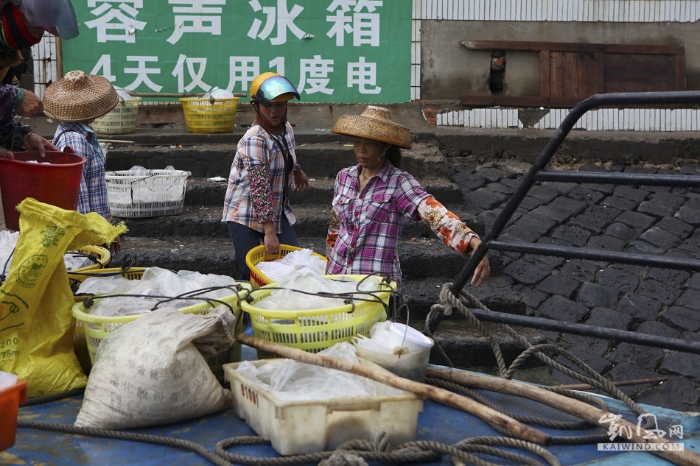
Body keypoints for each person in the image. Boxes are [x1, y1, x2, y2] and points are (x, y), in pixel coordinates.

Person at [326, 105, 490, 289]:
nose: (361, 150)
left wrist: (472, 241)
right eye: (357, 142)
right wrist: (328, 271)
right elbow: (335, 227)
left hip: (375, 285)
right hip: (338, 278)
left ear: (384, 146)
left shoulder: (399, 183)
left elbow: (434, 213)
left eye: (369, 143)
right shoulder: (344, 177)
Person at [222, 72, 309, 281]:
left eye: (279, 105)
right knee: (251, 271)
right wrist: (269, 232)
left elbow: (286, 152)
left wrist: (297, 170)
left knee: (293, 264)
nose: (274, 111)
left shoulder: (286, 129)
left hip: (276, 209)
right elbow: (259, 188)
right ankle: (250, 311)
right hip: (245, 214)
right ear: (256, 105)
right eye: (268, 105)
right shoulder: (255, 139)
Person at [42, 70, 122, 253]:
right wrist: (95, 237)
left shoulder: (78, 135)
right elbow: (79, 198)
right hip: (83, 243)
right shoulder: (74, 140)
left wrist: (105, 229)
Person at [0, 0, 80, 155]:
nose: (38, 33)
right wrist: (14, 97)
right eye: (34, 25)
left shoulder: (13, 56)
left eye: (43, 29)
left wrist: (24, 137)